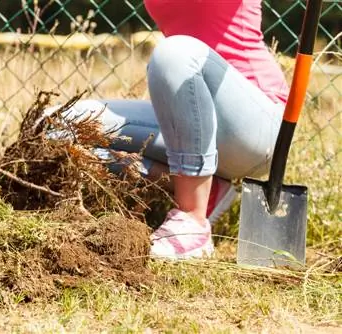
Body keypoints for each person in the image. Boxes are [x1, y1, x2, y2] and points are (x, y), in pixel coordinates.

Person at [44, 0, 289, 260]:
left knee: (173, 53)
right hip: (189, 117)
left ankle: (193, 220)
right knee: (53, 126)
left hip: (255, 122)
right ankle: (205, 185)